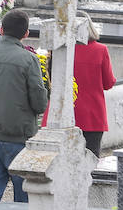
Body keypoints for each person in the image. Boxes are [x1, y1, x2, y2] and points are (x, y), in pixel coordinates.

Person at [0, 10, 48, 206]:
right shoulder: (28, 59)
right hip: (17, 133)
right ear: (26, 34)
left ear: (1, 29)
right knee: (24, 189)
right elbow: (39, 101)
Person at [41, 12, 118, 154]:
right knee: (88, 161)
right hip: (91, 115)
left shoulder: (57, 49)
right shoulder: (100, 50)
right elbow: (108, 83)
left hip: (58, 114)